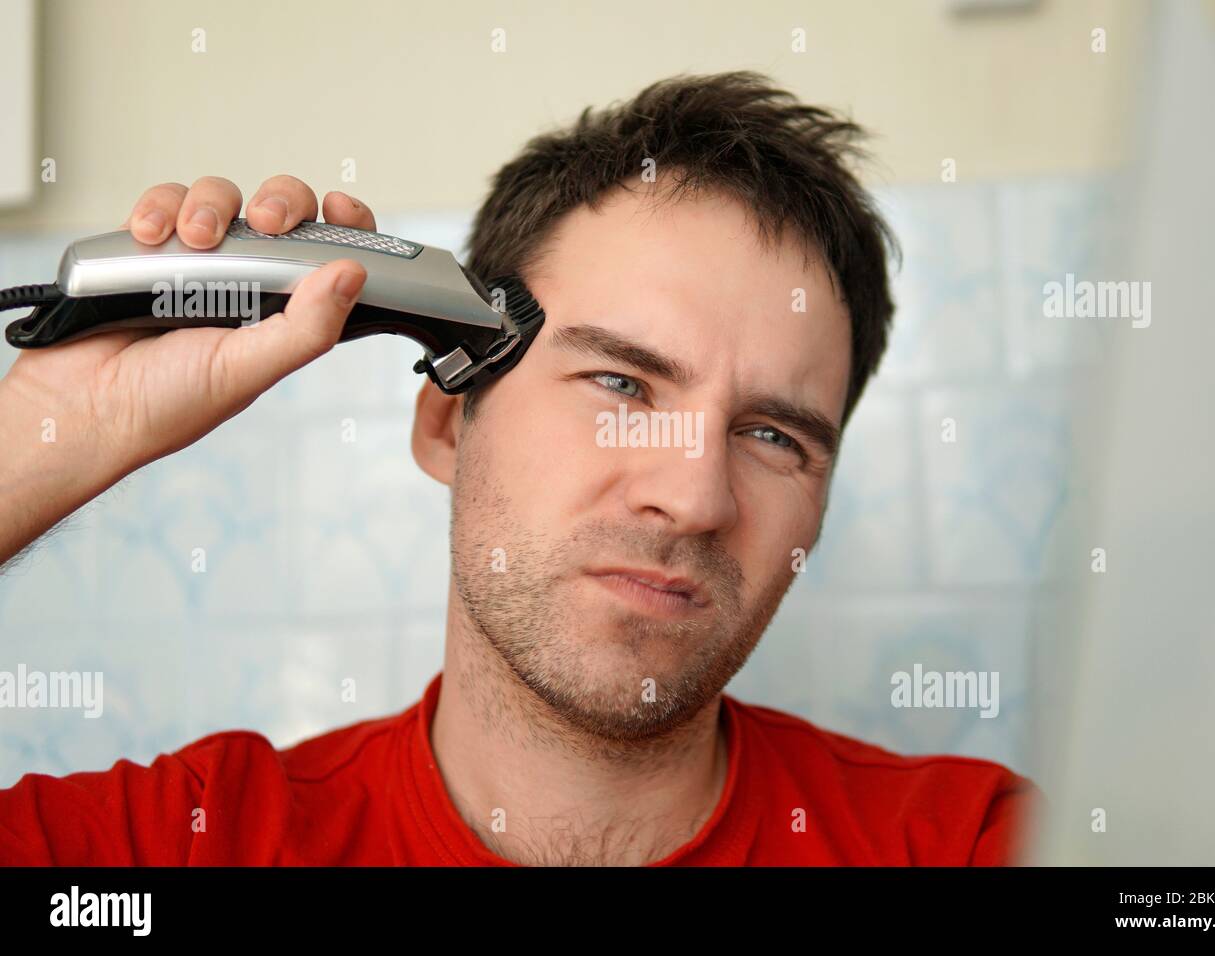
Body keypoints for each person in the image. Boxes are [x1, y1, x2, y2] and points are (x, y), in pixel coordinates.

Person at [0, 71, 1038, 866]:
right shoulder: (172, 847)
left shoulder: (972, 840)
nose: (693, 496)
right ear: (449, 421)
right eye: (622, 384)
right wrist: (41, 435)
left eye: (773, 435)